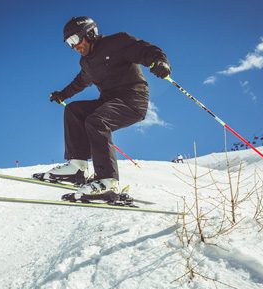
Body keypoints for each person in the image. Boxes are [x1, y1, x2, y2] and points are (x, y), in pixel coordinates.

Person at [33, 16, 171, 200]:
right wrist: (63, 94)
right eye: (69, 43)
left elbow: (146, 50)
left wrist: (160, 62)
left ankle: (107, 181)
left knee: (97, 121)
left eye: (75, 40)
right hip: (108, 101)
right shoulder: (86, 62)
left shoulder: (117, 42)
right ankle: (77, 168)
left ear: (89, 34)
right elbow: (81, 81)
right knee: (74, 110)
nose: (74, 47)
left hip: (132, 99)